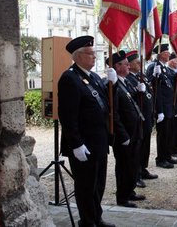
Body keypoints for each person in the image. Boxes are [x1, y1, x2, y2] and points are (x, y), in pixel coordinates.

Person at [58, 36, 116, 227]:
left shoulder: (94, 77)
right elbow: (67, 116)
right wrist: (75, 144)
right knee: (85, 185)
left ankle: (96, 217)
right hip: (84, 143)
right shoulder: (69, 78)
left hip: (99, 141)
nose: (94, 58)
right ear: (78, 56)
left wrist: (113, 86)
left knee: (98, 184)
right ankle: (88, 221)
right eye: (90, 54)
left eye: (94, 54)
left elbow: (105, 105)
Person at [108, 51, 146, 207]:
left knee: (132, 165)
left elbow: (132, 102)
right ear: (117, 66)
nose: (128, 65)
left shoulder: (125, 82)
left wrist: (141, 92)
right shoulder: (113, 85)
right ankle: (122, 197)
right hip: (124, 134)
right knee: (124, 166)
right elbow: (114, 113)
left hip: (134, 131)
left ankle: (130, 191)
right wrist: (122, 135)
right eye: (125, 63)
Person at [125, 50, 158, 188]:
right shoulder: (128, 78)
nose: (139, 63)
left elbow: (150, 93)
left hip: (147, 116)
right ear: (130, 64)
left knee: (145, 146)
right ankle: (136, 173)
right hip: (138, 118)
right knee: (138, 147)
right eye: (136, 62)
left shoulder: (141, 76)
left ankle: (143, 168)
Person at [146, 43, 177, 168]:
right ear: (161, 54)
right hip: (161, 107)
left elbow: (170, 85)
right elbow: (151, 87)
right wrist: (154, 76)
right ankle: (160, 159)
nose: (169, 54)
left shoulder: (164, 68)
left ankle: (167, 155)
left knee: (168, 133)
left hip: (168, 106)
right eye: (167, 52)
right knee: (163, 134)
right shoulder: (153, 67)